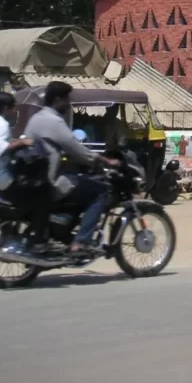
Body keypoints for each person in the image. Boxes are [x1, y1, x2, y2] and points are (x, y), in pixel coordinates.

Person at [26, 81, 119, 254]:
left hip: (37, 179)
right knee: (102, 191)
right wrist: (104, 160)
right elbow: (77, 150)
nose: (68, 104)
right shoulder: (54, 122)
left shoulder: (36, 118)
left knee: (83, 184)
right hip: (53, 180)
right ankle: (82, 240)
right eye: (66, 99)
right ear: (57, 100)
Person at [0, 91, 50, 249]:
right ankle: (39, 240)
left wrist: (16, 142)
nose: (15, 112)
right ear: (6, 108)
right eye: (13, 108)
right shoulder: (1, 124)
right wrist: (22, 142)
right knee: (42, 196)